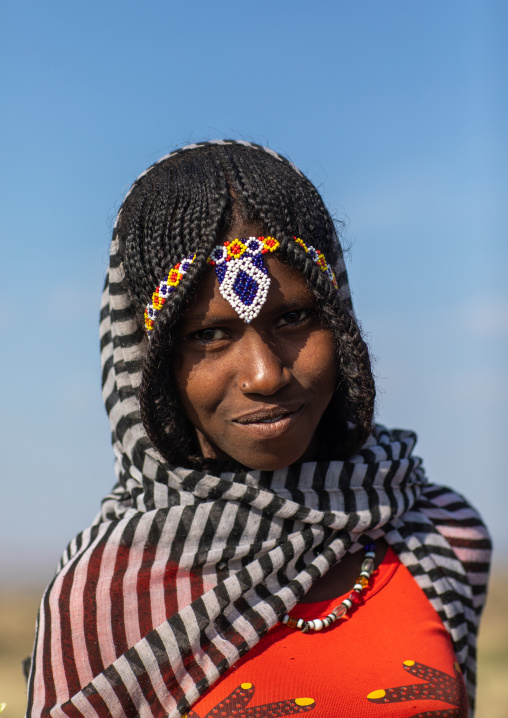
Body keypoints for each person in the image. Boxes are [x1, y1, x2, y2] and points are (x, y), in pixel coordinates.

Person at [26, 140, 491, 718]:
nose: (266, 375)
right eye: (209, 335)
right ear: (152, 364)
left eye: (295, 317)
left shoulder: (441, 538)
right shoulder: (102, 600)